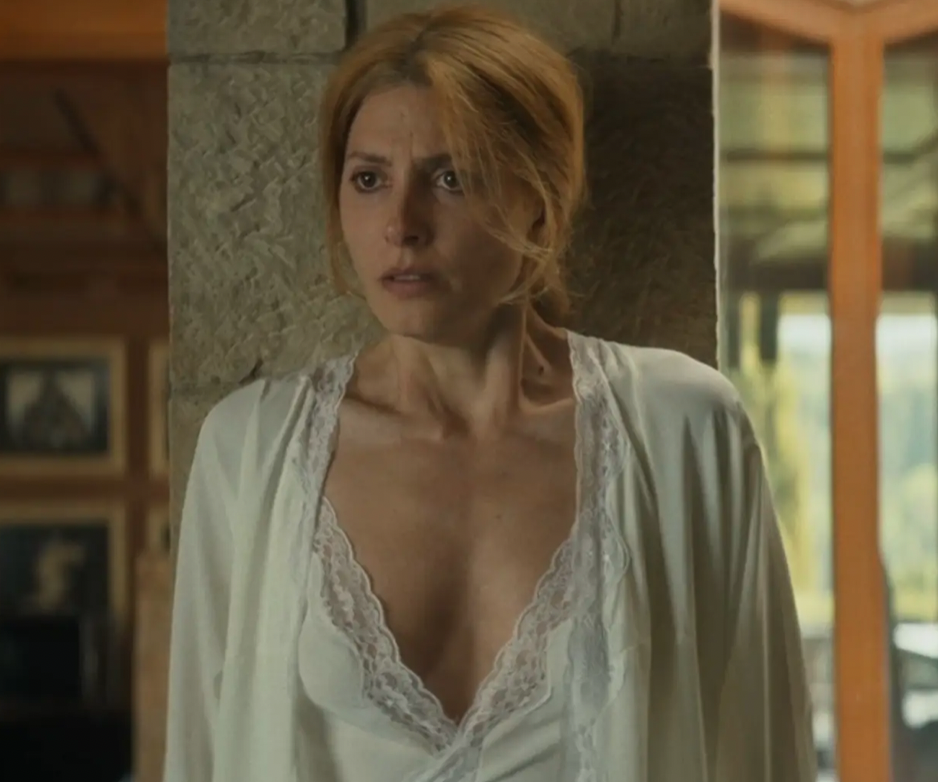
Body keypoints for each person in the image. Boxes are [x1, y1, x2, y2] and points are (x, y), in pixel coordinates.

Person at [163, 5, 816, 781]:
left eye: (451, 178)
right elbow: (200, 753)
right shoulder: (254, 449)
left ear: (538, 198)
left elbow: (762, 751)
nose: (402, 224)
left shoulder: (682, 430)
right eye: (369, 179)